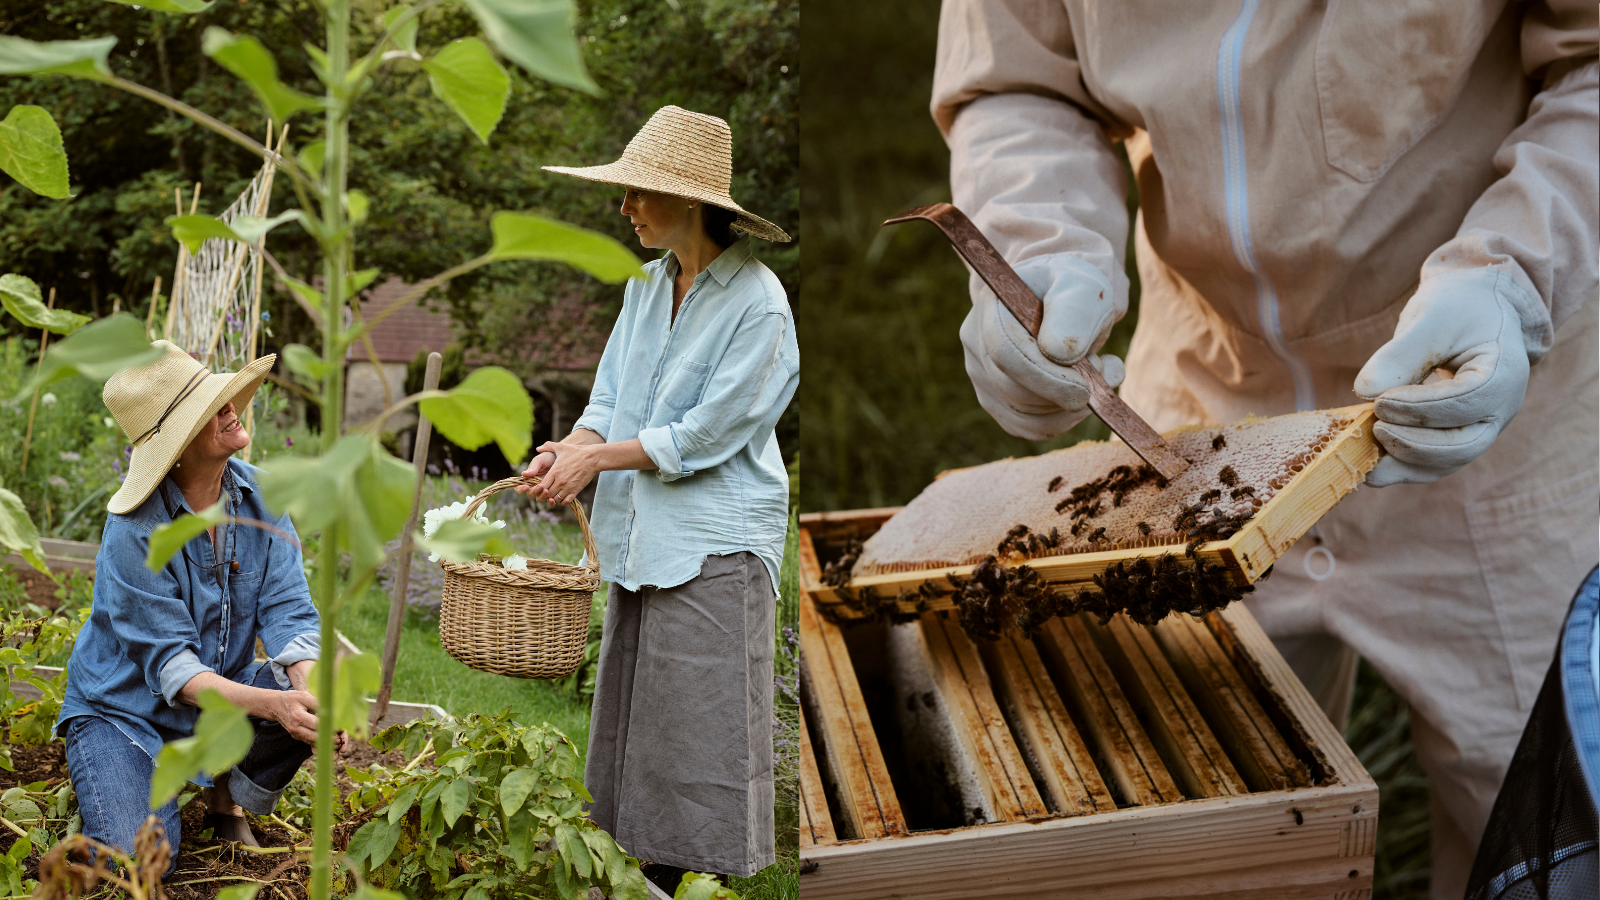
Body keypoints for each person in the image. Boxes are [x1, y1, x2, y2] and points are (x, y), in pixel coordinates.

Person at [931, 3, 1597, 895]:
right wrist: (1036, 244)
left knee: (1537, 832)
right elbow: (1017, 77)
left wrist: (1516, 273)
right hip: (1205, 419)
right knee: (1205, 837)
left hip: (1491, 408)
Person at [517, 105, 797, 889]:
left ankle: (682, 879)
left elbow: (708, 434)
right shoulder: (645, 289)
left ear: (692, 202)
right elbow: (608, 403)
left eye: (640, 192)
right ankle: (635, 874)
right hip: (642, 540)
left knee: (697, 733)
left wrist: (598, 459)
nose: (626, 208)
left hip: (714, 547)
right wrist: (565, 455)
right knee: (638, 725)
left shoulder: (760, 303)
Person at [57, 342, 333, 866]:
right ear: (178, 443)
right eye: (212, 407)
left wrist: (307, 694)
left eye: (227, 398)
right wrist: (277, 707)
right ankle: (123, 776)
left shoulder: (261, 500)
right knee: (138, 862)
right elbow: (174, 670)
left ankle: (222, 793)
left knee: (306, 686)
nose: (231, 409)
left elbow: (289, 612)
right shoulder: (135, 530)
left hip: (214, 708)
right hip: (125, 714)